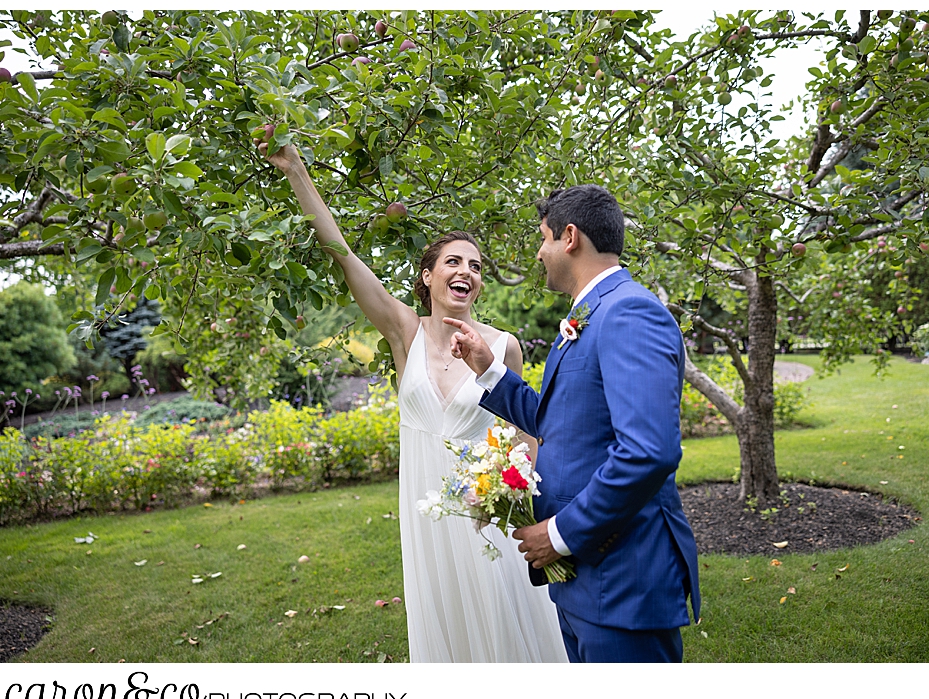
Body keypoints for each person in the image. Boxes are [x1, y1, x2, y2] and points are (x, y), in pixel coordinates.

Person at [257, 139, 567, 663]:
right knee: (443, 615)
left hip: (486, 510)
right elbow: (343, 254)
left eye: (474, 264)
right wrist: (296, 174)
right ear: (428, 277)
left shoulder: (503, 345)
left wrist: (531, 510)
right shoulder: (405, 331)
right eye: (452, 261)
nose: (465, 270)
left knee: (502, 613)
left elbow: (525, 437)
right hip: (425, 506)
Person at [444, 184, 701, 663]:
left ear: (568, 237)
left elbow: (649, 452)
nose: (539, 254)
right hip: (584, 581)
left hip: (623, 582)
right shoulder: (588, 315)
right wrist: (488, 369)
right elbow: (558, 423)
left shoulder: (629, 312)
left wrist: (557, 534)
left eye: (542, 240)